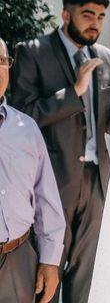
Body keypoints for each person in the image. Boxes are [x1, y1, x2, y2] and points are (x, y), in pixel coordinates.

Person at [10, 0, 110, 303]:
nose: (96, 23)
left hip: (97, 183)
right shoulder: (33, 52)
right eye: (88, 15)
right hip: (51, 182)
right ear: (65, 14)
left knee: (88, 273)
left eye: (101, 17)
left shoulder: (107, 58)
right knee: (48, 272)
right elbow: (22, 115)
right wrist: (73, 92)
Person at [0, 37, 66, 303]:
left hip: (19, 260)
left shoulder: (26, 128)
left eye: (2, 61)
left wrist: (50, 261)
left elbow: (46, 198)